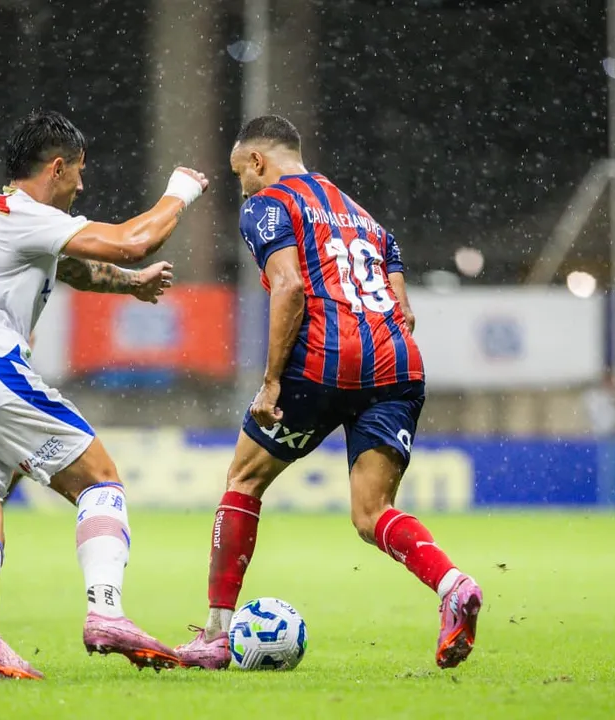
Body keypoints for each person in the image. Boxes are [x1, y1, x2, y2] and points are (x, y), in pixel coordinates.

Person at [0, 109, 208, 679]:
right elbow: (131, 241)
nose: (82, 185)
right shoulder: (25, 212)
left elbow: (79, 270)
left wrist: (131, 288)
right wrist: (180, 192)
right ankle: (107, 613)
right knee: (99, 479)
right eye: (79, 173)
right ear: (57, 167)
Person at [174, 116, 482, 670]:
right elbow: (399, 290)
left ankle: (217, 637)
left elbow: (289, 285)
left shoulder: (268, 204)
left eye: (239, 172)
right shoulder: (357, 211)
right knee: (372, 514)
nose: (240, 184)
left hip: (323, 363)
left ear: (257, 162)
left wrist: (271, 381)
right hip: (397, 365)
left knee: (243, 479)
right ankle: (453, 585)